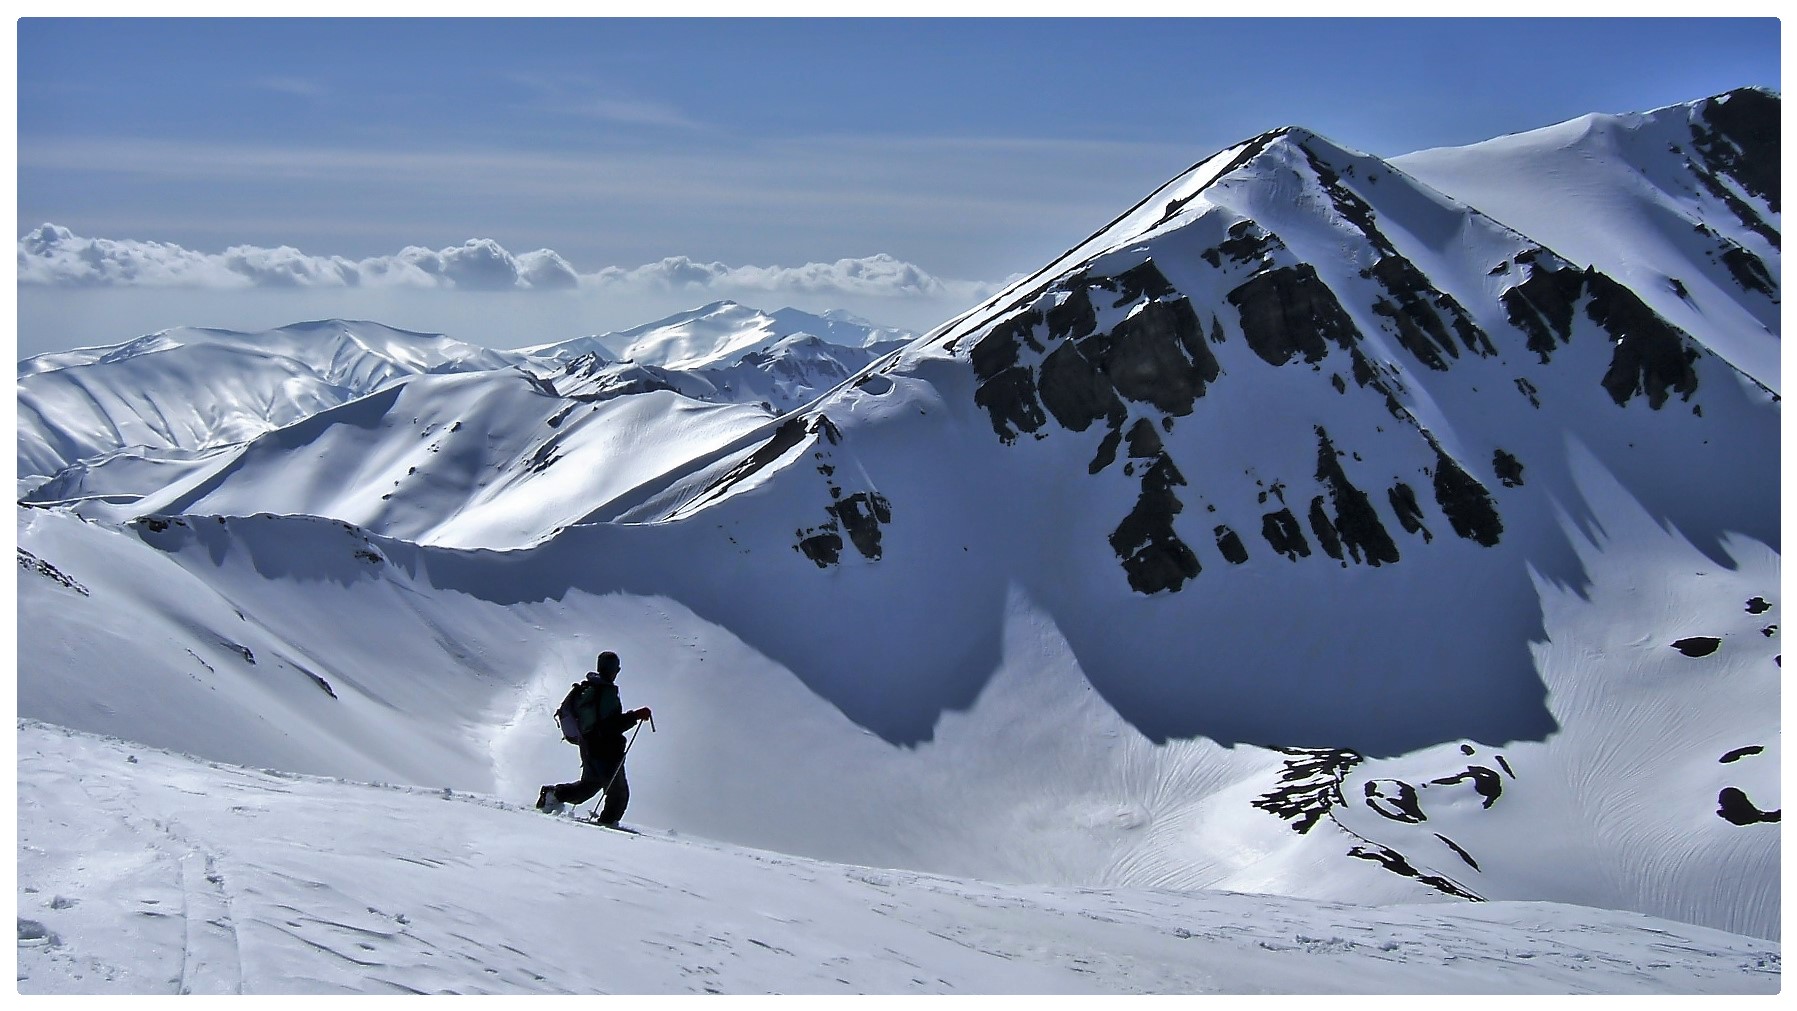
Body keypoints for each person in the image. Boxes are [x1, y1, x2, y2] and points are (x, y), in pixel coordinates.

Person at [537, 651, 651, 826]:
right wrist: (635, 715)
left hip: (589, 746)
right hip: (606, 749)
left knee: (588, 786)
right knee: (618, 794)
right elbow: (610, 725)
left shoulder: (590, 688)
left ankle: (555, 794)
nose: (617, 672)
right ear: (612, 669)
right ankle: (606, 828)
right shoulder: (605, 692)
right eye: (616, 668)